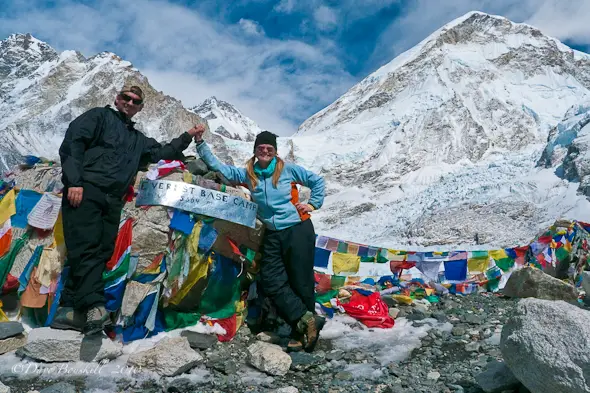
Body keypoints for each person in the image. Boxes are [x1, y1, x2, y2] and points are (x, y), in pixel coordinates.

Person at [52, 86, 206, 335]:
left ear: (140, 107)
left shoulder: (137, 139)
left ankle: (68, 311)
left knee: (101, 251)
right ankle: (95, 307)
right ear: (117, 98)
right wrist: (75, 182)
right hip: (86, 191)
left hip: (113, 200)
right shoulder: (98, 117)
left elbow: (162, 152)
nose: (130, 103)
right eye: (126, 98)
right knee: (86, 247)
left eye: (136, 101)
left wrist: (187, 135)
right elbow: (73, 143)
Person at [193, 128, 326, 352]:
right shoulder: (248, 173)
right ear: (255, 150)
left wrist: (312, 204)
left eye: (269, 148)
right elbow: (220, 168)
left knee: (301, 280)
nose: (265, 151)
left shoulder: (287, 169)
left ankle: (302, 333)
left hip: (298, 229)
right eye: (261, 147)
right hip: (273, 233)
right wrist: (200, 143)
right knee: (271, 278)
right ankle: (304, 318)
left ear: (275, 151)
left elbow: (317, 181)